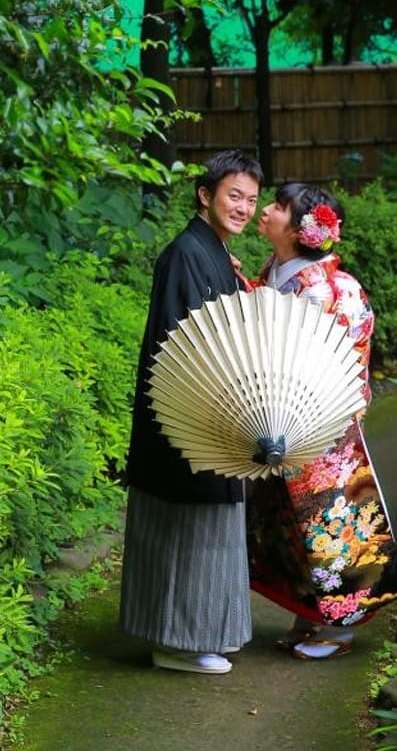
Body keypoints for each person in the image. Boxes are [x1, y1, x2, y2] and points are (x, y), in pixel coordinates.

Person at [247, 183, 397, 660]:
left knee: (329, 523)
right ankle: (311, 615)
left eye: (276, 206)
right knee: (292, 526)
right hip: (284, 419)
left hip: (322, 423)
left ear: (299, 229)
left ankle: (340, 627)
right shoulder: (280, 271)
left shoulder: (329, 288)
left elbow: (321, 359)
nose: (266, 210)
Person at [119, 149, 263, 675]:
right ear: (205, 195)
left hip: (213, 412)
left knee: (208, 529)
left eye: (251, 199)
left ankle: (196, 635)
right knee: (185, 528)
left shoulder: (215, 253)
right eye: (234, 195)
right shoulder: (186, 254)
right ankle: (176, 643)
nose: (244, 207)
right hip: (187, 412)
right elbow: (185, 342)